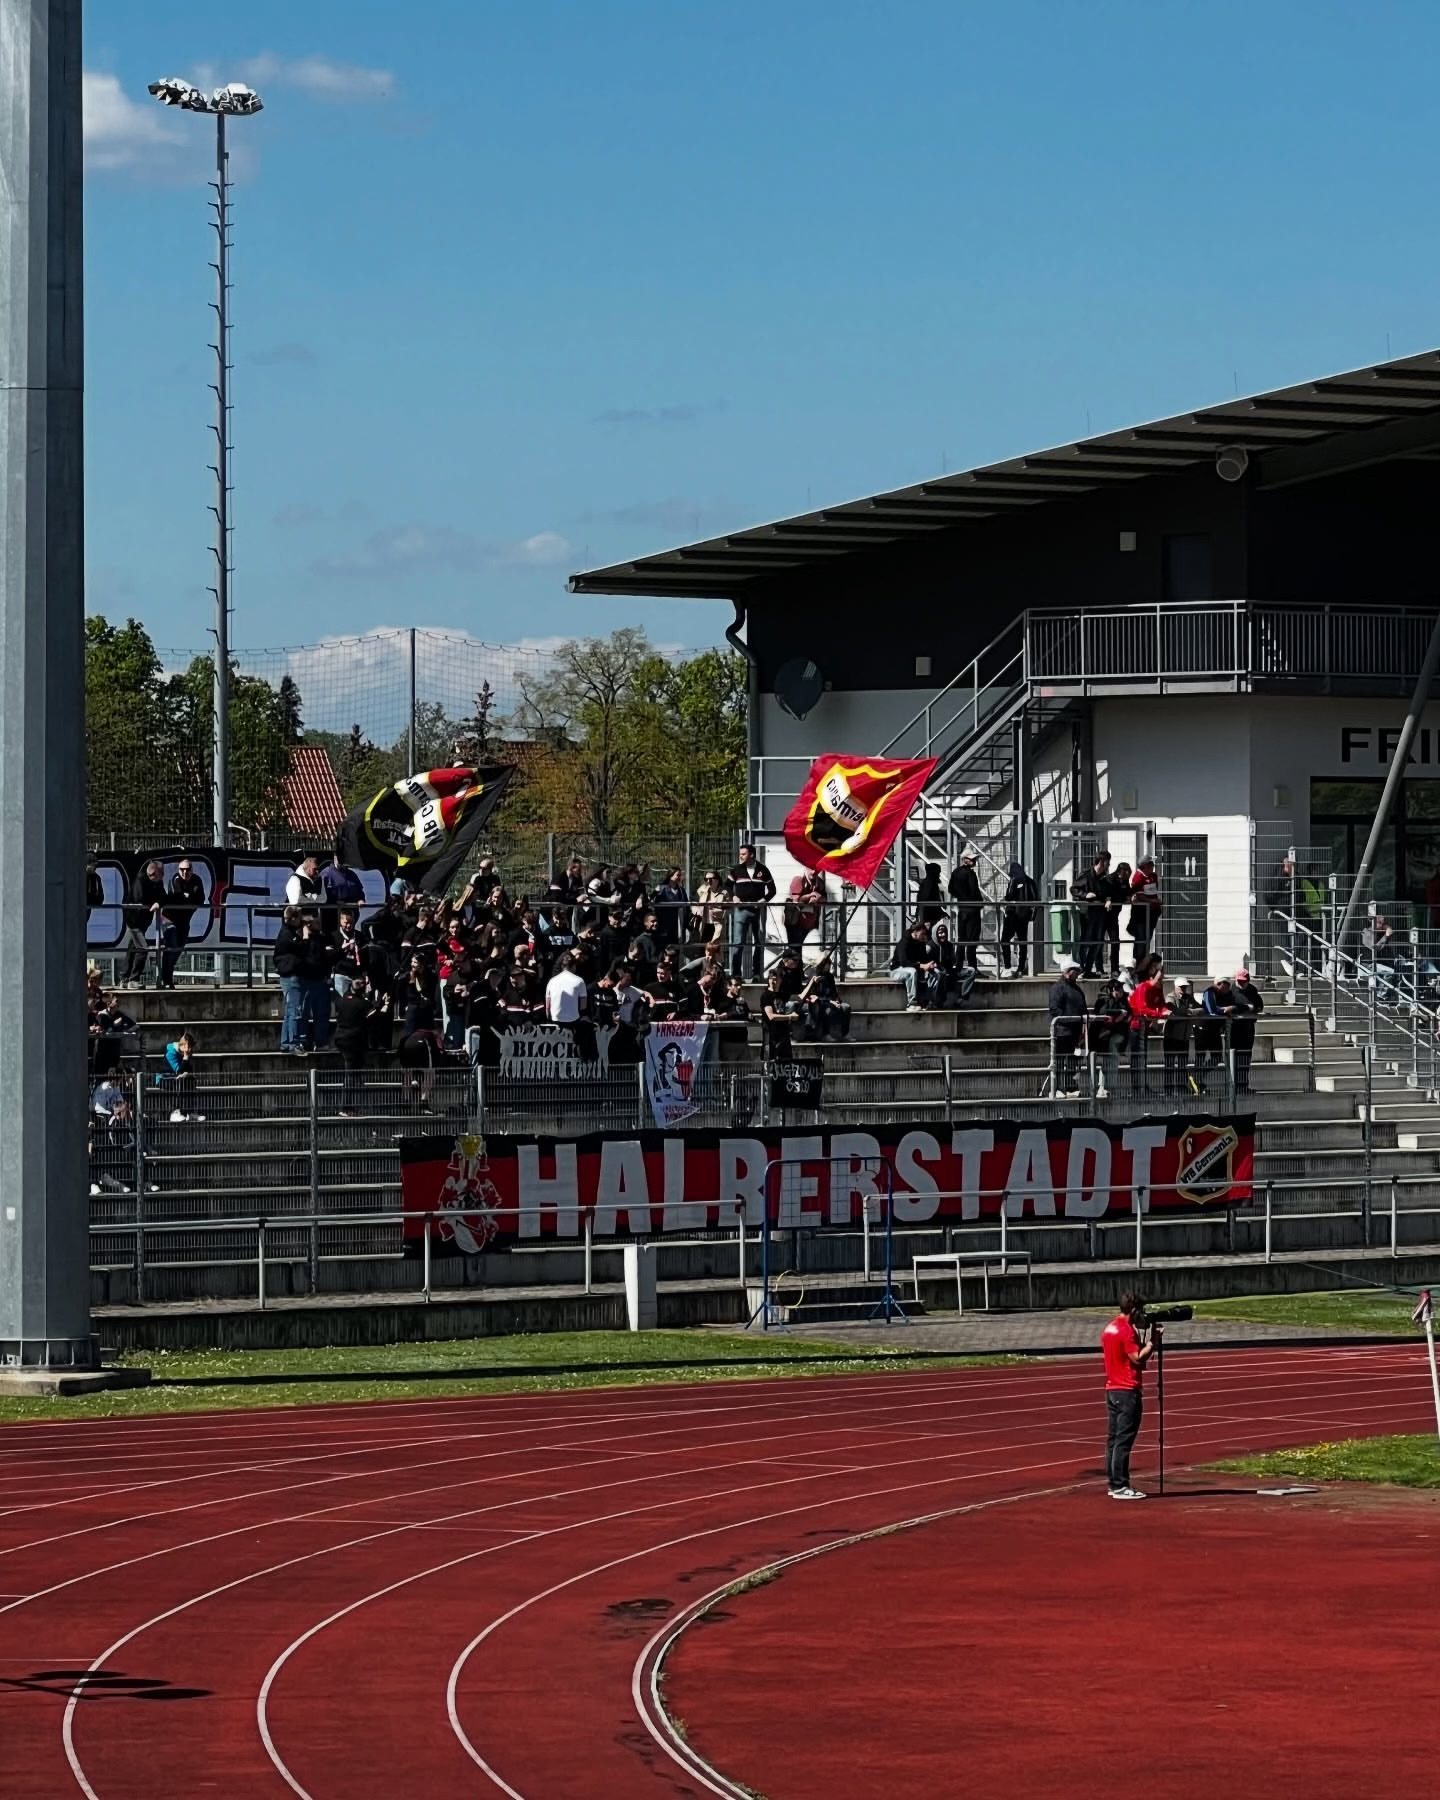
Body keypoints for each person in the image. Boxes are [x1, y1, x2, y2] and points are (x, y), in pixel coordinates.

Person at [1102, 1292, 1157, 1499]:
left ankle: (1114, 1482)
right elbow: (1137, 1358)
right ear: (1134, 1309)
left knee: (1113, 1440)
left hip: (1113, 1388)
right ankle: (1120, 1485)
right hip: (1127, 1390)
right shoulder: (1126, 1331)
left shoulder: (1111, 1327)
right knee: (1123, 1440)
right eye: (1141, 1310)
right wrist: (1153, 1342)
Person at [333, 971, 381, 1117]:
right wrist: (378, 1005)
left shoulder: (341, 1000)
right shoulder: (363, 1003)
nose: (361, 985)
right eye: (359, 982)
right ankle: (345, 1107)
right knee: (351, 1075)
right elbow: (371, 1017)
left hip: (342, 1038)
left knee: (355, 1075)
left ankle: (352, 1106)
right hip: (353, 1041)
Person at [122, 859, 173, 989]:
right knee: (142, 948)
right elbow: (140, 899)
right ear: (154, 873)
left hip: (144, 921)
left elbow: (163, 896)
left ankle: (124, 977)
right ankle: (133, 979)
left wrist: (158, 902)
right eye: (161, 873)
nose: (163, 876)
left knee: (133, 947)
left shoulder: (157, 882)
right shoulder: (141, 880)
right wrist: (154, 901)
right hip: (134, 920)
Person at [729, 845, 776, 980]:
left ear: (752, 855)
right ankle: (736, 974)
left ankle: (756, 974)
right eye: (740, 854)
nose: (741, 856)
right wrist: (733, 896)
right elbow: (727, 885)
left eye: (743, 854)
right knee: (738, 943)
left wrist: (764, 899)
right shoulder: (737, 870)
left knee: (759, 943)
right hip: (741, 910)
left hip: (758, 911)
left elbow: (772, 890)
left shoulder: (763, 870)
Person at [1048, 957, 1088, 1098]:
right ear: (1066, 972)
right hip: (1062, 1031)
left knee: (1073, 1061)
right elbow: (1054, 1009)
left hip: (1076, 1032)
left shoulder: (1076, 989)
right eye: (1074, 971)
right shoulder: (1057, 988)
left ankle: (1071, 1087)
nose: (1077, 974)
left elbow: (1083, 1008)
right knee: (1059, 1061)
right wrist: (1069, 1020)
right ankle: (1058, 1088)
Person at [545, 951, 596, 1060]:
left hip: (555, 1019)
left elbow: (547, 1007)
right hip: (573, 1020)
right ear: (573, 966)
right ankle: (587, 1058)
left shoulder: (551, 981)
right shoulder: (579, 981)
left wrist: (549, 1018)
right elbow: (583, 1007)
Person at [163, 858, 205, 986]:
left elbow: (200, 899)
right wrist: (189, 898)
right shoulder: (175, 879)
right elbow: (177, 897)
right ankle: (166, 978)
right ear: (178, 870)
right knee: (172, 945)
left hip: (184, 920)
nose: (185, 872)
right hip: (169, 919)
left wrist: (188, 898)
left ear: (191, 870)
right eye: (182, 869)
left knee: (179, 947)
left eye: (187, 870)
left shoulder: (197, 880)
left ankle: (167, 973)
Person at [1128, 961, 1170, 1090]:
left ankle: (1144, 1086)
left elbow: (1162, 1004)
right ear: (1152, 977)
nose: (1161, 980)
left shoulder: (1158, 989)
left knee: (1143, 1057)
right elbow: (1142, 1009)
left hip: (1145, 1026)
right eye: (1159, 977)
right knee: (1137, 1057)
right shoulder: (1143, 988)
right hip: (1135, 1026)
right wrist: (1159, 1014)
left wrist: (1165, 1011)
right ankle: (1136, 1087)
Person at [1088, 977, 1131, 1101]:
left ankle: (1107, 1087)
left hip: (1115, 1035)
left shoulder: (1122, 1000)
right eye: (1117, 990)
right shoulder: (1103, 1000)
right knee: (1105, 1063)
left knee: (1110, 1062)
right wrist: (1118, 1015)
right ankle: (1102, 1087)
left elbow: (1128, 1013)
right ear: (1112, 990)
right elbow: (1102, 1014)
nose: (1120, 992)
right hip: (1102, 1037)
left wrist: (1121, 1016)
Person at [1161, 976, 1201, 1097]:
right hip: (1171, 1037)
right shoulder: (1170, 997)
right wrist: (1189, 1011)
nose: (1183, 989)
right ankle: (1168, 1090)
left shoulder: (1189, 998)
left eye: (1185, 987)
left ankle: (1181, 1087)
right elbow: (1173, 1010)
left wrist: (1190, 1011)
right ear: (1176, 987)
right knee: (1169, 1065)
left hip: (1184, 1037)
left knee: (1183, 1065)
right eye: (1181, 987)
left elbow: (1200, 1008)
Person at [797, 952, 850, 1040]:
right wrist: (830, 1001)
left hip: (830, 1001)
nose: (829, 966)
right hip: (820, 1003)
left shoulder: (830, 977)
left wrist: (837, 1000)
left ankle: (845, 1033)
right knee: (827, 1010)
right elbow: (813, 997)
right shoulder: (814, 976)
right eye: (827, 964)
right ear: (822, 964)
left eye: (830, 963)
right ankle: (825, 1034)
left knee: (846, 1007)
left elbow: (834, 992)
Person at [999, 861, 1038, 977]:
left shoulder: (1014, 880)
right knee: (1022, 942)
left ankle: (1007, 966)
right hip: (1024, 916)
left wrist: (1005, 899)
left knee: (1004, 940)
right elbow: (1035, 898)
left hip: (1012, 915)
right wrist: (1032, 916)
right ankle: (1021, 967)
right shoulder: (1030, 882)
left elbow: (1009, 896)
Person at [890, 922, 940, 1012]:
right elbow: (904, 962)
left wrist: (931, 964)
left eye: (925, 934)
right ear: (915, 932)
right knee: (912, 972)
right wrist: (921, 966)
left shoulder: (921, 944)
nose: (924, 936)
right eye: (922, 934)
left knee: (936, 972)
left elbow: (924, 960)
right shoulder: (904, 942)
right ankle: (911, 1003)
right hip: (897, 970)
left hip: (915, 968)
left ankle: (931, 1001)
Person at [1077, 853, 1113, 978]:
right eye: (1107, 862)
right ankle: (1081, 969)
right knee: (1085, 941)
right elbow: (1074, 889)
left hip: (1099, 915)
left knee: (1097, 942)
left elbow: (1108, 892)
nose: (1109, 865)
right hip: (1088, 914)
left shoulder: (1104, 878)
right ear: (1102, 862)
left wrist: (1108, 899)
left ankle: (1087, 969)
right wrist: (1085, 895)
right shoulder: (1086, 875)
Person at [1230, 968, 1265, 1094]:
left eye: (1243, 981)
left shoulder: (1252, 990)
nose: (1241, 983)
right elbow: (1229, 1007)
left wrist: (1252, 1009)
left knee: (1246, 1058)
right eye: (1239, 981)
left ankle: (1243, 1086)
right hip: (1234, 1029)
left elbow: (1259, 1005)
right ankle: (1234, 1087)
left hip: (1248, 1028)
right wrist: (1245, 1008)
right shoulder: (1231, 991)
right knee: (1234, 1058)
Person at [947, 852, 983, 970]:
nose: (975, 860)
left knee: (961, 939)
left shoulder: (956, 872)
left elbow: (950, 889)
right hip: (972, 909)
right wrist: (978, 902)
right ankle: (973, 967)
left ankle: (958, 966)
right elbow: (974, 890)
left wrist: (961, 897)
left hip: (962, 909)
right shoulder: (970, 873)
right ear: (965, 859)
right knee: (972, 940)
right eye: (972, 858)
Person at [761, 969, 802, 1060]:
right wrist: (790, 1017)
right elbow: (771, 1016)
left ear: (780, 980)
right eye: (772, 979)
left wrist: (812, 982)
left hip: (783, 1036)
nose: (774, 982)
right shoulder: (766, 995)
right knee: (770, 1065)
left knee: (786, 1063)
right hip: (771, 1036)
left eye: (776, 979)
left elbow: (801, 997)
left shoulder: (782, 994)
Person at [1128, 857, 1162, 962]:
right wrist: (1152, 901)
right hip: (1141, 913)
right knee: (1141, 937)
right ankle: (1138, 960)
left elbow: (1154, 891)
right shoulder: (1138, 877)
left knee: (1148, 936)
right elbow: (1139, 896)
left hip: (1152, 912)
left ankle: (1143, 959)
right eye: (1150, 865)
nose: (1152, 867)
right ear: (1144, 866)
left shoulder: (1153, 876)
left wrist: (1155, 902)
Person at [785, 869, 828, 948]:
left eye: (816, 869)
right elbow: (796, 899)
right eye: (811, 868)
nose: (814, 871)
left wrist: (818, 898)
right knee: (794, 951)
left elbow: (825, 898)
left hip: (810, 923)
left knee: (803, 950)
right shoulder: (799, 879)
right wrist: (810, 896)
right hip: (795, 922)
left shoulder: (819, 882)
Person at [914, 862, 945, 930]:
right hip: (929, 917)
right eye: (938, 872)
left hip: (929, 916)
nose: (939, 875)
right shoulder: (929, 884)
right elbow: (925, 901)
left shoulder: (928, 883)